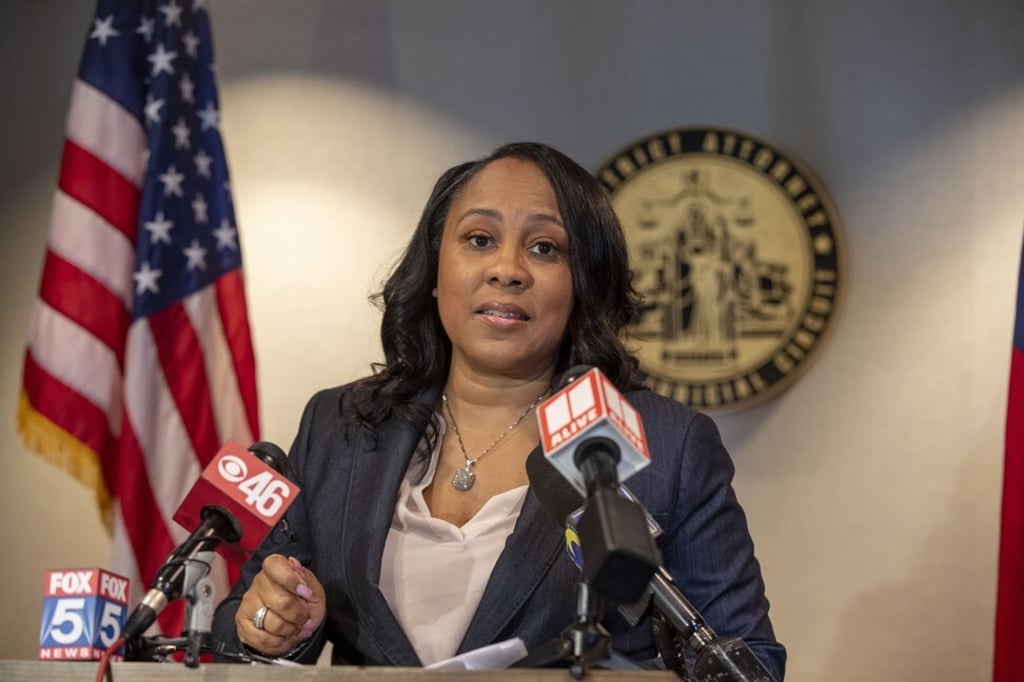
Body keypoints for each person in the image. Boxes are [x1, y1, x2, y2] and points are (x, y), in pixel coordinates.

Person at [211, 142, 786, 678]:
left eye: (545, 248)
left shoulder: (666, 444)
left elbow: (746, 660)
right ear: (436, 271)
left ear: (581, 284)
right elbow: (239, 630)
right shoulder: (340, 426)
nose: (507, 269)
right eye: (479, 239)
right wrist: (273, 625)